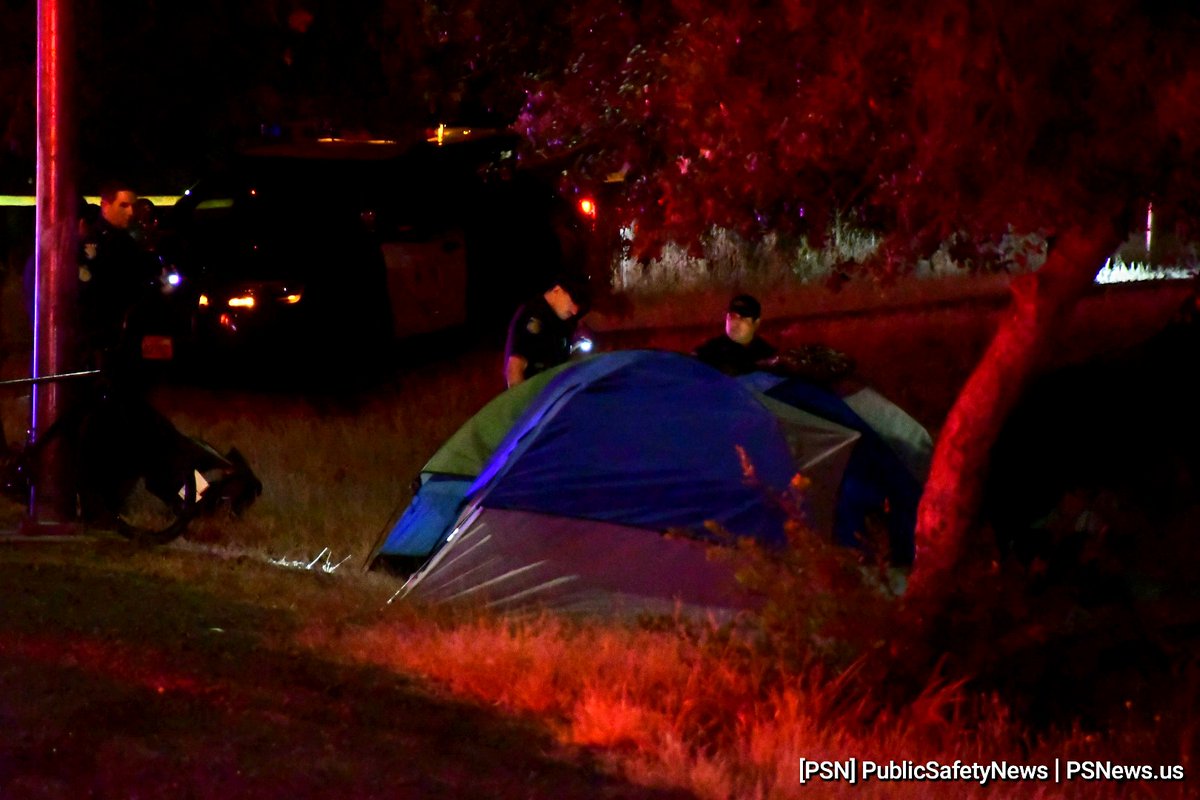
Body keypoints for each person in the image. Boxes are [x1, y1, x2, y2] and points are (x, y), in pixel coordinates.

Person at [77, 180, 162, 366]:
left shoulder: (128, 241)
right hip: (103, 336)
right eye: (123, 205)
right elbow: (92, 292)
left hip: (125, 334)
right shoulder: (94, 242)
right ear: (105, 206)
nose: (131, 212)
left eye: (133, 206)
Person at [503, 275, 589, 388]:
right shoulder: (532, 314)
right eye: (573, 300)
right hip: (534, 396)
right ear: (557, 291)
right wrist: (527, 404)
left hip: (554, 395)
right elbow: (514, 369)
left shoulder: (564, 322)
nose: (574, 311)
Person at [693, 293, 777, 376]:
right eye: (732, 316)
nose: (735, 322)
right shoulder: (710, 351)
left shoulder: (766, 353)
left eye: (742, 318)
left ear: (756, 323)